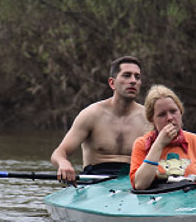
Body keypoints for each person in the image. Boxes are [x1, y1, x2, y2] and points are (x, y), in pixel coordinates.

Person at [51, 55, 151, 184]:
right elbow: (59, 152)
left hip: (134, 180)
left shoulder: (149, 118)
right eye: (127, 75)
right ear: (112, 83)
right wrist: (63, 163)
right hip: (95, 180)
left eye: (137, 77)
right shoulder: (92, 114)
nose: (133, 81)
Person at [130, 85, 196, 190]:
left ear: (180, 112)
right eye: (162, 115)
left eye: (173, 111)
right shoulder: (141, 144)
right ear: (152, 120)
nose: (170, 118)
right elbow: (139, 185)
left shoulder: (195, 141)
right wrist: (159, 144)